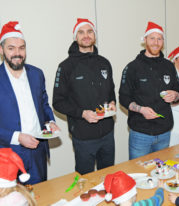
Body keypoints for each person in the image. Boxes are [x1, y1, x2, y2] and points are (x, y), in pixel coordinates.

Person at [52, 18, 116, 175]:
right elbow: (58, 102)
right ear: (75, 37)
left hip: (107, 133)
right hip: (83, 136)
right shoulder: (66, 66)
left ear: (94, 35)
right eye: (81, 32)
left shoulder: (105, 63)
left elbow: (111, 90)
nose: (86, 35)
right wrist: (82, 113)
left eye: (89, 31)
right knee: (85, 180)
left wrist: (113, 102)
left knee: (107, 176)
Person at [0, 21, 60, 184]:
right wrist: (18, 137)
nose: (17, 53)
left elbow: (44, 104)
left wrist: (51, 121)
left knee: (39, 196)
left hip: (38, 150)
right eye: (11, 48)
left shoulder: (37, 74)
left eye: (21, 48)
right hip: (8, 154)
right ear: (1, 50)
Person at [119, 21, 179, 159]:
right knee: (138, 173)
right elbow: (123, 98)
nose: (156, 42)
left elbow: (178, 91)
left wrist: (175, 95)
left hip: (165, 132)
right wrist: (141, 110)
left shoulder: (169, 66)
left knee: (161, 173)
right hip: (140, 134)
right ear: (145, 40)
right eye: (152, 38)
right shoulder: (132, 67)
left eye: (159, 39)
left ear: (163, 42)